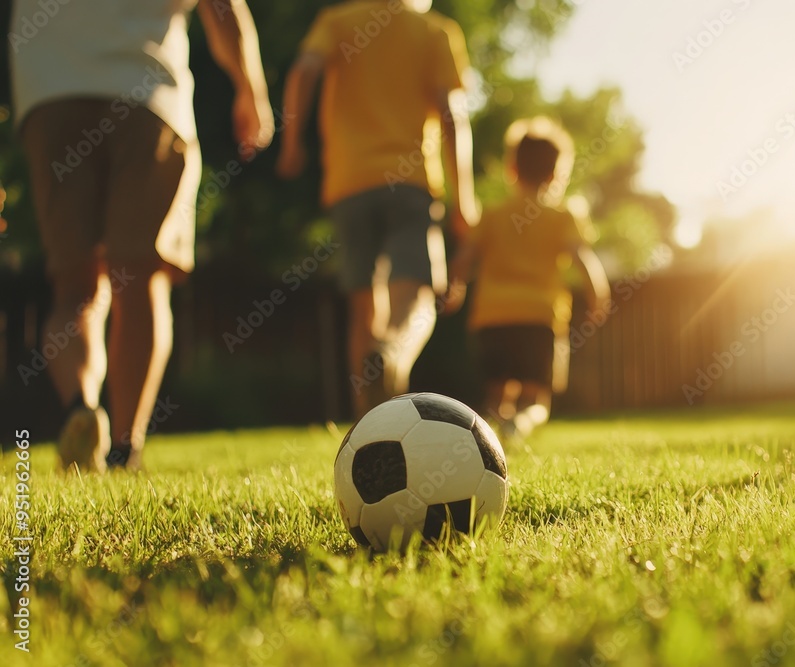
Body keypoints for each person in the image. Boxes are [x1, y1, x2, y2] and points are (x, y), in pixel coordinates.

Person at [9, 0, 274, 471]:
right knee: (140, 281)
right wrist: (250, 89)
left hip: (50, 93)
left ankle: (80, 407)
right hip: (147, 93)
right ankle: (123, 448)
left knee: (74, 289)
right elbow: (223, 8)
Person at [276, 0, 478, 419]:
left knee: (363, 307)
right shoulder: (435, 32)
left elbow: (303, 71)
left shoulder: (337, 21)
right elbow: (452, 117)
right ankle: (390, 351)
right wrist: (464, 199)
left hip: (350, 181)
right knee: (416, 294)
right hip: (410, 182)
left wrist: (292, 142)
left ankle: (368, 423)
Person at [448, 117, 611, 440]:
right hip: (539, 317)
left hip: (492, 317)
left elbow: (463, 258)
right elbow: (583, 258)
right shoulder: (563, 216)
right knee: (536, 401)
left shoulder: (492, 215)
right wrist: (598, 297)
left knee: (496, 398)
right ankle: (519, 425)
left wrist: (454, 287)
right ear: (556, 174)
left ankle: (485, 441)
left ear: (511, 168)